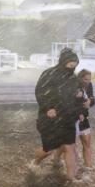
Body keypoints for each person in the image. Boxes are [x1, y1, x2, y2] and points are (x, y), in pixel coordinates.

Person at [33, 48, 83, 180]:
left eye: (75, 64)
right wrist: (48, 107)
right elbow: (39, 91)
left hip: (68, 118)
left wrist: (79, 97)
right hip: (51, 118)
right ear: (63, 62)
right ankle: (35, 162)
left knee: (70, 147)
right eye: (70, 64)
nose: (73, 66)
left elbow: (77, 96)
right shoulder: (49, 74)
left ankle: (72, 178)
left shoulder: (73, 78)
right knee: (48, 150)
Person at [54, 69, 95, 169]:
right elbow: (68, 104)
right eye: (86, 79)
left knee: (87, 141)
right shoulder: (72, 86)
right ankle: (56, 159)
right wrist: (78, 113)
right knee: (67, 144)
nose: (88, 82)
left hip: (84, 118)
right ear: (80, 78)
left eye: (89, 79)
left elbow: (92, 98)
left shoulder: (89, 85)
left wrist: (90, 101)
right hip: (72, 118)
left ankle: (88, 167)